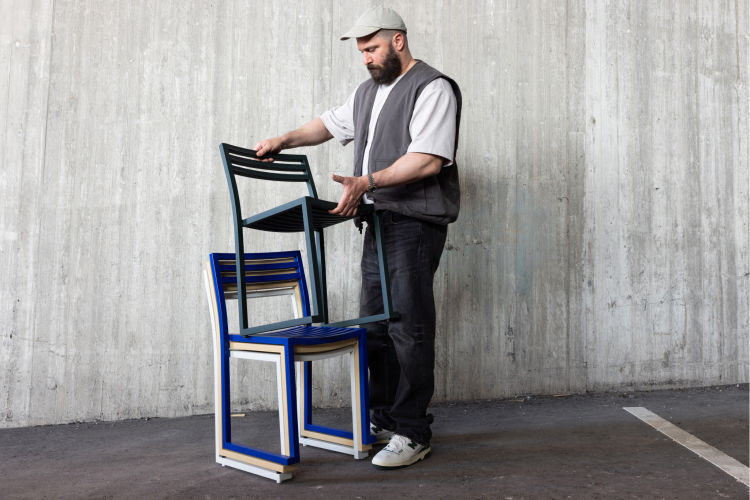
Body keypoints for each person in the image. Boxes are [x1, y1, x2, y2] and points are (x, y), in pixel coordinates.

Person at [254, 6, 461, 470]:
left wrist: (366, 181)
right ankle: (385, 418)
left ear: (398, 41)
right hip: (380, 223)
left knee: (409, 326)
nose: (365, 58)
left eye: (371, 48)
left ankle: (413, 431)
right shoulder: (368, 93)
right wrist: (282, 140)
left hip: (415, 223)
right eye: (361, 52)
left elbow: (427, 160)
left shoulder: (433, 88)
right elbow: (326, 125)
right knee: (375, 328)